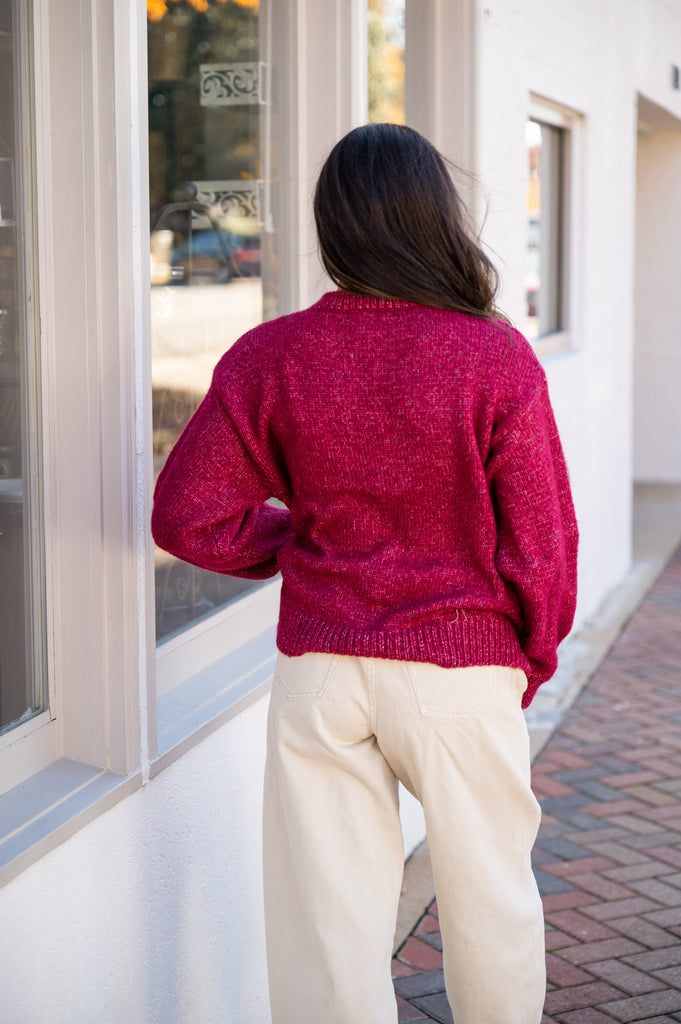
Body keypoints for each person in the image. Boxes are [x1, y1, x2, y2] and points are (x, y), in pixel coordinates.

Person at [152, 122, 578, 1024]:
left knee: (324, 930)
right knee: (490, 907)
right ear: (438, 219)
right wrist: (527, 659)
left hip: (320, 672)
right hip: (459, 669)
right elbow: (540, 545)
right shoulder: (491, 357)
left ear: (332, 224)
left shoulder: (271, 357)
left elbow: (189, 518)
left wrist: (296, 542)